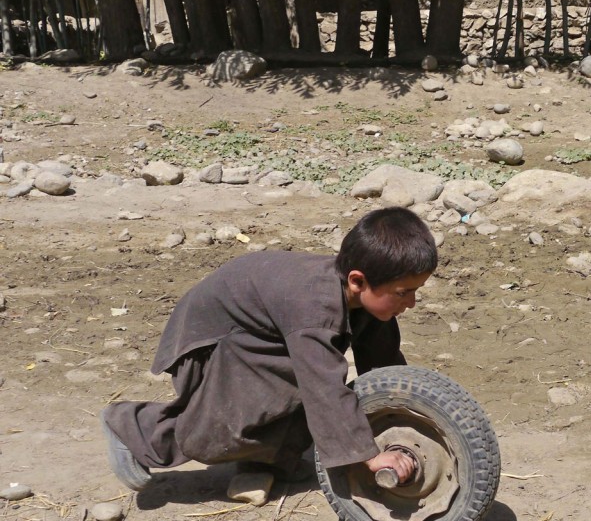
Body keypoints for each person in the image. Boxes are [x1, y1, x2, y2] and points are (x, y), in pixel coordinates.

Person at [100, 207, 432, 490]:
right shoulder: (314, 308)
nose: (413, 302)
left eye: (417, 291)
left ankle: (268, 461)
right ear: (358, 281)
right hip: (208, 345)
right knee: (238, 417)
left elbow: (385, 369)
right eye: (404, 293)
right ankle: (136, 430)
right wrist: (370, 455)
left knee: (313, 379)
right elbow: (324, 391)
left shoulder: (364, 297)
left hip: (259, 334)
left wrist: (408, 414)